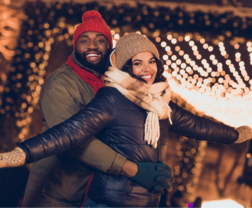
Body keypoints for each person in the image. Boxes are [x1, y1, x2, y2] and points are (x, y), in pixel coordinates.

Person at [0, 33, 252, 208]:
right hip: (108, 202)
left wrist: (234, 135)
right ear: (125, 67)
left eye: (151, 61)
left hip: (145, 202)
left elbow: (196, 125)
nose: (147, 69)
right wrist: (22, 153)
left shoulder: (160, 101)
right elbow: (70, 132)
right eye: (137, 63)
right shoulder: (112, 98)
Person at [20, 11, 172, 208]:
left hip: (98, 195)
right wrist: (134, 170)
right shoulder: (60, 84)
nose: (92, 46)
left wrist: (155, 164)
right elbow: (73, 140)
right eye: (84, 40)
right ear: (75, 46)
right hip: (58, 194)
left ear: (110, 47)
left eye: (100, 40)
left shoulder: (116, 83)